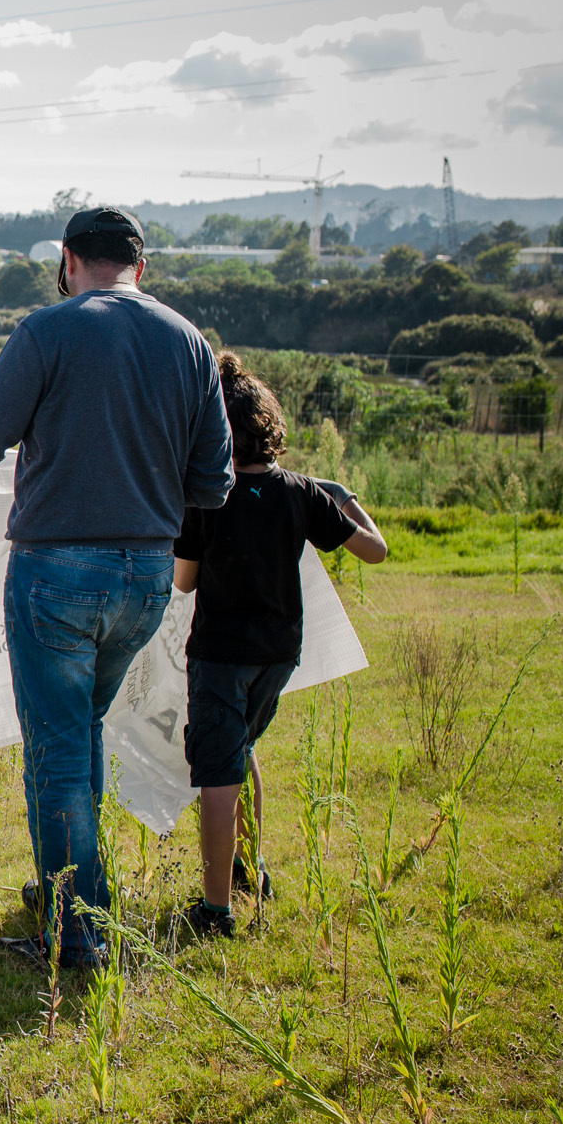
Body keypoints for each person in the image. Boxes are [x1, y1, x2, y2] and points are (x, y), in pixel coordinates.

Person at [0, 205, 232, 968]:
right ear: (144, 266)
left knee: (59, 750)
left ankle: (74, 933)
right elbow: (215, 483)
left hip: (57, 573)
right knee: (80, 733)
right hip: (147, 576)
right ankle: (74, 896)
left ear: (68, 259)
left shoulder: (46, 330)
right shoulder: (190, 342)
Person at [172, 353, 386, 938]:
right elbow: (376, 549)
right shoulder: (301, 492)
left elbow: (183, 581)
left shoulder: (208, 497)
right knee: (242, 749)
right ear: (271, 430)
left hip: (219, 651)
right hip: (278, 651)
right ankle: (251, 868)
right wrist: (342, 496)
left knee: (216, 771)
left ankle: (217, 910)